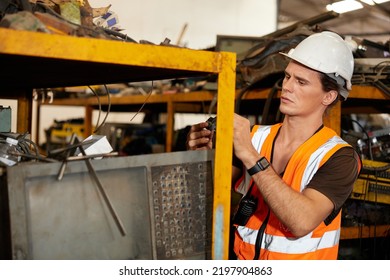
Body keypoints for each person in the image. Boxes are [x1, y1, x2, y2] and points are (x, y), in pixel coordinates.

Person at [186, 31, 362, 260]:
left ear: (328, 96)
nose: (287, 87)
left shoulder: (339, 157)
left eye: (301, 82)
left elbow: (301, 221)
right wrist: (198, 157)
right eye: (288, 77)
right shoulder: (256, 136)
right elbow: (206, 190)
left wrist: (250, 155)